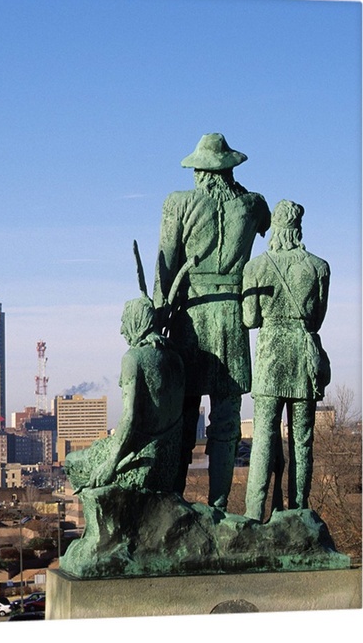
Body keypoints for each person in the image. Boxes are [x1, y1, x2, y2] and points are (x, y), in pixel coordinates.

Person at [153, 133, 270, 509]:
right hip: (233, 316)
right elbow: (267, 221)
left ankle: (175, 500)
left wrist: (156, 316)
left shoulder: (179, 204)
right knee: (226, 418)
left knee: (183, 416)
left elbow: (165, 265)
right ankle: (218, 503)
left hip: (190, 317)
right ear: (230, 168)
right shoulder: (251, 204)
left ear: (201, 171)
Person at [242, 200, 330, 521]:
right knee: (302, 440)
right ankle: (299, 512)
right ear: (299, 227)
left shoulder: (255, 267)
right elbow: (316, 320)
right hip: (303, 360)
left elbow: (250, 318)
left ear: (275, 228)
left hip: (269, 359)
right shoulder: (318, 267)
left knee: (263, 438)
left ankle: (253, 513)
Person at [66, 295, 185, 494]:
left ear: (137, 321)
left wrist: (111, 463)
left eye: (124, 322)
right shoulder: (176, 359)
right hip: (168, 463)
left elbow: (129, 417)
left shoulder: (133, 357)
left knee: (71, 462)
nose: (122, 330)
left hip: (141, 458)